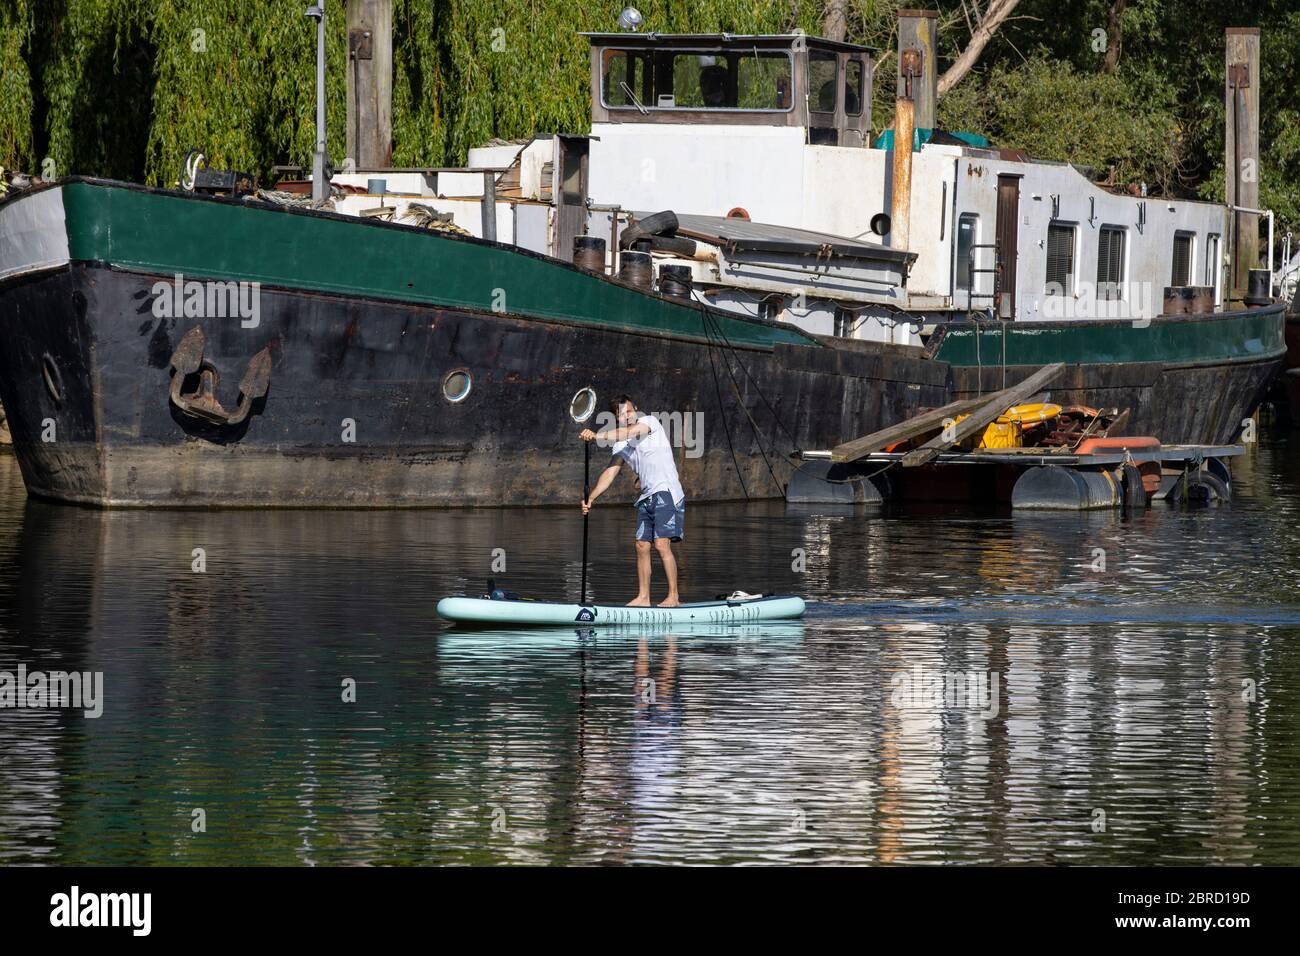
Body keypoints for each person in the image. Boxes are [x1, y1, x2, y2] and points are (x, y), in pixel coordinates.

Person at [580, 395, 685, 607]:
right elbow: (610, 472)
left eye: (629, 411)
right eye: (622, 414)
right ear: (616, 417)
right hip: (646, 496)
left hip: (667, 491)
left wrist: (597, 437)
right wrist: (590, 497)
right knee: (641, 546)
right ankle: (643, 598)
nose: (627, 416)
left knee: (661, 545)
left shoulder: (649, 422)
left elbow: (629, 432)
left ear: (635, 409)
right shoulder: (620, 446)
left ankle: (673, 597)